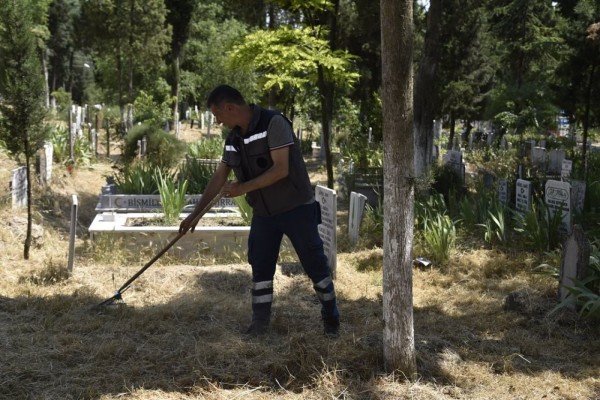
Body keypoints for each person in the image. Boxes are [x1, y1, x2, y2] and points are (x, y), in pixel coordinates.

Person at [179, 85, 340, 337]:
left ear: (229, 108)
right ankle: (259, 326)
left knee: (315, 265)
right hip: (264, 215)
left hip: (296, 208)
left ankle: (331, 318)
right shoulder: (233, 139)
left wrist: (242, 188)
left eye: (217, 115)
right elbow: (220, 176)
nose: (218, 121)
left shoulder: (274, 123)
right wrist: (195, 214)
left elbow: (281, 169)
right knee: (261, 268)